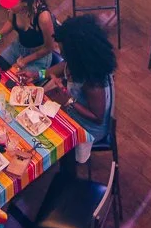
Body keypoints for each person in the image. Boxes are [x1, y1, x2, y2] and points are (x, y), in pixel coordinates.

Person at [44, 14, 115, 165]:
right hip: (75, 107)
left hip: (90, 128)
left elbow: (97, 117)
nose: (61, 54)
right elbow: (64, 66)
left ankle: (67, 166)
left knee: (47, 133)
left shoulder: (93, 83)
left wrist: (68, 100)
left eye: (64, 52)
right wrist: (38, 74)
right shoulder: (80, 61)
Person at [0, 0, 58, 74]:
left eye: (12, 3)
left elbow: (49, 47)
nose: (8, 7)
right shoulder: (15, 9)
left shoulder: (43, 17)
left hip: (39, 58)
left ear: (25, 2)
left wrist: (24, 61)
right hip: (18, 47)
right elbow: (10, 22)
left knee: (14, 80)